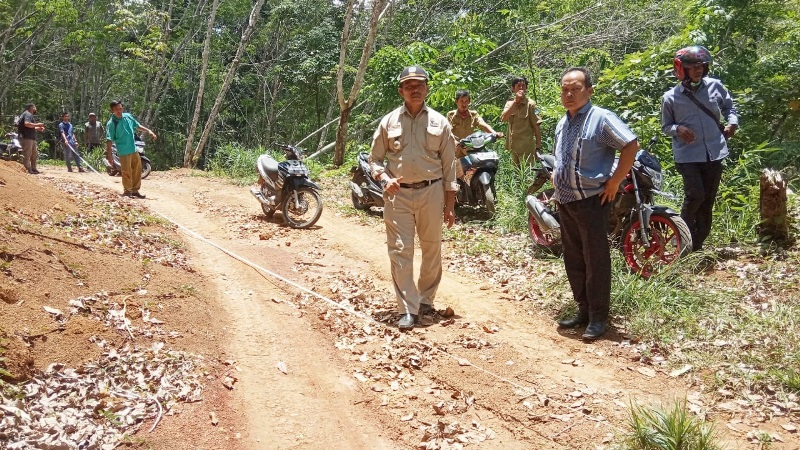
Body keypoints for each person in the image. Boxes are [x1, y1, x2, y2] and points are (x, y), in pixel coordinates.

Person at [369, 66, 458, 330]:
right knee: (400, 250)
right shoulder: (389, 122)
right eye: (409, 85)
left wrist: (450, 205)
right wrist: (385, 180)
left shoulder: (440, 122)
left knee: (432, 248)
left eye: (419, 84)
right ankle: (407, 308)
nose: (415, 89)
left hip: (431, 191)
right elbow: (374, 159)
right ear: (401, 91)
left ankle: (426, 299)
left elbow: (449, 165)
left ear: (427, 88)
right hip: (398, 195)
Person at [553, 67, 639, 340]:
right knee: (574, 259)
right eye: (565, 89)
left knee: (596, 261)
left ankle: (599, 317)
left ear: (589, 90)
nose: (569, 93)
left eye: (575, 88)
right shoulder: (563, 121)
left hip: (591, 201)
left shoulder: (600, 119)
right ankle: (584, 310)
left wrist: (615, 181)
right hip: (566, 202)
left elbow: (630, 144)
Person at [661, 45, 738, 252]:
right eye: (692, 66)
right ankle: (682, 237)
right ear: (681, 69)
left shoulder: (715, 86)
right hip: (687, 156)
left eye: (701, 66)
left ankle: (698, 243)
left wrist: (732, 122)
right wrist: (678, 129)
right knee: (695, 195)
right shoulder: (670, 97)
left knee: (708, 199)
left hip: (715, 152)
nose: (698, 70)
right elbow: (665, 127)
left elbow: (730, 107)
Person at [105, 101, 157, 199]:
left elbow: (137, 126)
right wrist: (109, 155)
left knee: (137, 169)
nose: (119, 111)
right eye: (116, 109)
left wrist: (149, 131)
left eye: (120, 108)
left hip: (133, 149)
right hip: (123, 150)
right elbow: (109, 139)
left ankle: (135, 190)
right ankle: (127, 191)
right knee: (126, 171)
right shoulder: (112, 123)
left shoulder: (128, 117)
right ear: (112, 110)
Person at [447, 90, 503, 178]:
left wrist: (495, 134)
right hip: (457, 150)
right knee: (455, 177)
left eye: (466, 101)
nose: (464, 104)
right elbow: (448, 131)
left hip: (471, 149)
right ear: (456, 102)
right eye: (461, 101)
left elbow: (484, 125)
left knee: (479, 169)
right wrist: (455, 142)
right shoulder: (451, 115)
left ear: (469, 102)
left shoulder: (474, 114)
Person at [500, 76, 542, 166]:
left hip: (526, 148)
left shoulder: (531, 104)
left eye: (523, 86)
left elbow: (537, 125)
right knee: (516, 175)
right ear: (513, 88)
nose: (521, 88)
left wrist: (538, 146)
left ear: (526, 88)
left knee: (527, 175)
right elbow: (503, 119)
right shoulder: (509, 104)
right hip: (513, 147)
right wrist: (515, 102)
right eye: (519, 86)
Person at [17, 103, 45, 174]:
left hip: (31, 138)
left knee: (34, 153)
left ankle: (33, 168)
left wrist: (37, 128)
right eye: (35, 107)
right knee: (27, 154)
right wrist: (38, 124)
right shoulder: (27, 114)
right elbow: (27, 124)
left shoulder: (29, 115)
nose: (36, 109)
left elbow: (28, 126)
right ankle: (27, 169)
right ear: (32, 108)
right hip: (26, 138)